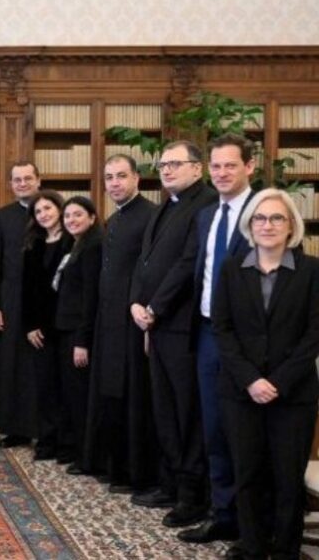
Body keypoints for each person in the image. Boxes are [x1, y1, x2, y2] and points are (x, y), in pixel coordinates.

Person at [212, 188, 319, 560]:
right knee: (248, 473)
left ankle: (287, 549)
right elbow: (222, 330)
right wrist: (252, 380)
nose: (268, 225)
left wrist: (278, 382)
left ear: (291, 226)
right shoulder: (230, 270)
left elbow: (314, 335)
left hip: (294, 395)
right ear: (249, 225)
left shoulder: (312, 271)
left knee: (288, 478)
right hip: (241, 392)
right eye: (260, 218)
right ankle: (253, 546)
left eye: (277, 218)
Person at [129, 140, 216, 526]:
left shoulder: (206, 205)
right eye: (162, 164)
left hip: (182, 326)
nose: (166, 170)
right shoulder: (166, 204)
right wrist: (136, 302)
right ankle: (170, 482)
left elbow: (187, 264)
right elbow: (144, 261)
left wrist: (153, 308)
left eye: (175, 164)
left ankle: (192, 496)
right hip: (157, 326)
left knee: (186, 413)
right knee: (164, 409)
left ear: (198, 168)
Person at [178, 133, 257, 546]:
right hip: (208, 334)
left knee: (246, 431)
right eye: (216, 166)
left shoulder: (265, 213)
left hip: (249, 342)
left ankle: (251, 525)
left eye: (230, 165)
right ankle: (222, 514)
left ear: (250, 167)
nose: (222, 173)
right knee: (214, 429)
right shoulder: (207, 215)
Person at [83, 154, 158, 494]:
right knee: (111, 393)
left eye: (121, 176)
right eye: (109, 177)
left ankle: (136, 473)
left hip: (132, 322)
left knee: (133, 397)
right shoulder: (113, 220)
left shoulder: (150, 217)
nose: (114, 183)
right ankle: (115, 466)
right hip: (108, 321)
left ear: (136, 179)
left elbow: (148, 271)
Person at [0, 162, 42, 448]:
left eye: (27, 178)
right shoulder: (3, 216)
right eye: (17, 180)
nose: (22, 184)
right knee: (11, 364)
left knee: (38, 364)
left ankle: (42, 428)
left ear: (38, 181)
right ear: (11, 184)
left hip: (42, 300)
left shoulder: (48, 211)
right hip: (9, 300)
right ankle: (14, 429)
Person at [19, 191, 70, 460]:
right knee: (45, 387)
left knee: (67, 388)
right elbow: (28, 290)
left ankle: (66, 443)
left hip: (65, 326)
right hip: (39, 329)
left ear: (59, 209)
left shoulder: (73, 241)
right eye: (38, 212)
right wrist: (30, 326)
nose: (44, 215)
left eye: (48, 208)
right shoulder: (33, 244)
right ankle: (47, 440)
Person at [53, 196, 102, 476]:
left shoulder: (93, 247)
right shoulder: (74, 246)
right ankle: (77, 451)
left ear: (92, 218)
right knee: (71, 396)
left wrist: (82, 341)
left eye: (78, 215)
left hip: (78, 334)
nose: (71, 220)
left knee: (81, 398)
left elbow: (89, 298)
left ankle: (88, 458)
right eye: (68, 216)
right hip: (67, 330)